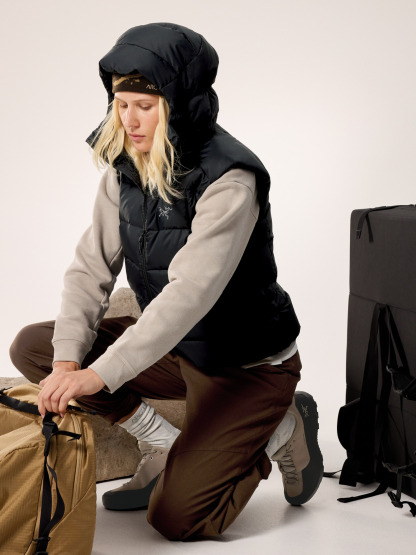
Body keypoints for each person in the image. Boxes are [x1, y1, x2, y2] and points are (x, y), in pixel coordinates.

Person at [10, 22, 323, 541]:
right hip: (177, 353)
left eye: (145, 105)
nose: (129, 120)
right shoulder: (125, 167)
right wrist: (68, 363)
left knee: (177, 519)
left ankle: (283, 429)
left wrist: (99, 375)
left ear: (178, 104)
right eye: (120, 103)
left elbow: (188, 296)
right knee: (38, 348)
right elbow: (91, 268)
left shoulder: (231, 178)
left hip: (243, 365)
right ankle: (161, 441)